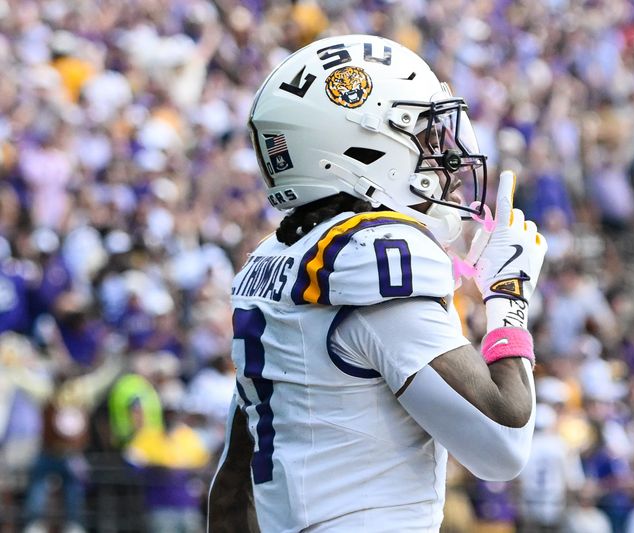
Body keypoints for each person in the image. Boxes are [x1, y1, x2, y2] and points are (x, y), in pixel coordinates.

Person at [207, 34, 547, 532]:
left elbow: (232, 491)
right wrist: (507, 297)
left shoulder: (277, 256)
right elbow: (502, 443)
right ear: (362, 146)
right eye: (425, 136)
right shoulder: (374, 253)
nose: (445, 158)